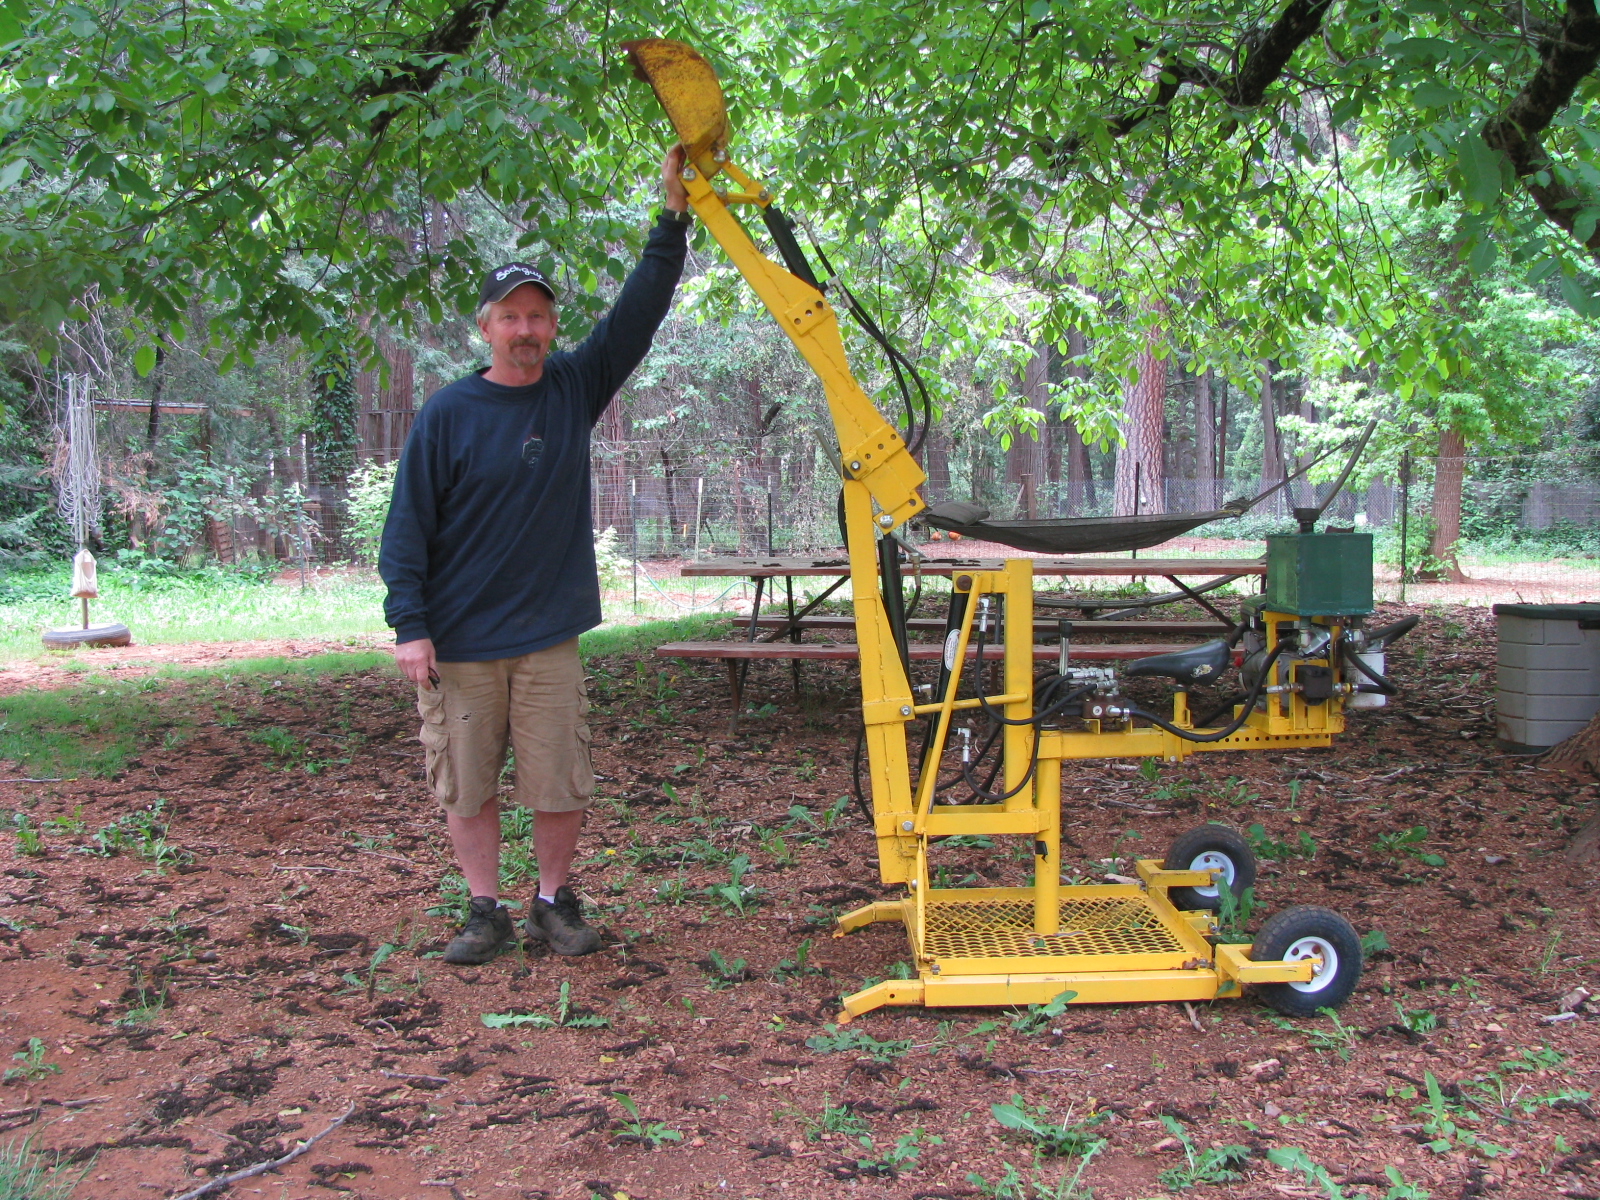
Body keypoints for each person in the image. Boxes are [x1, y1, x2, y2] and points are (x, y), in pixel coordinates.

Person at [379, 147, 692, 964]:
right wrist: (409, 625)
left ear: (552, 326)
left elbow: (639, 313)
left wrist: (673, 218)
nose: (525, 330)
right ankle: (485, 911)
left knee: (559, 780)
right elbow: (406, 528)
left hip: (548, 635)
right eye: (509, 317)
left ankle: (553, 901)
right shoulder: (447, 414)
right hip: (461, 640)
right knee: (467, 783)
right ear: (485, 327)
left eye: (538, 316)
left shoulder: (572, 388)